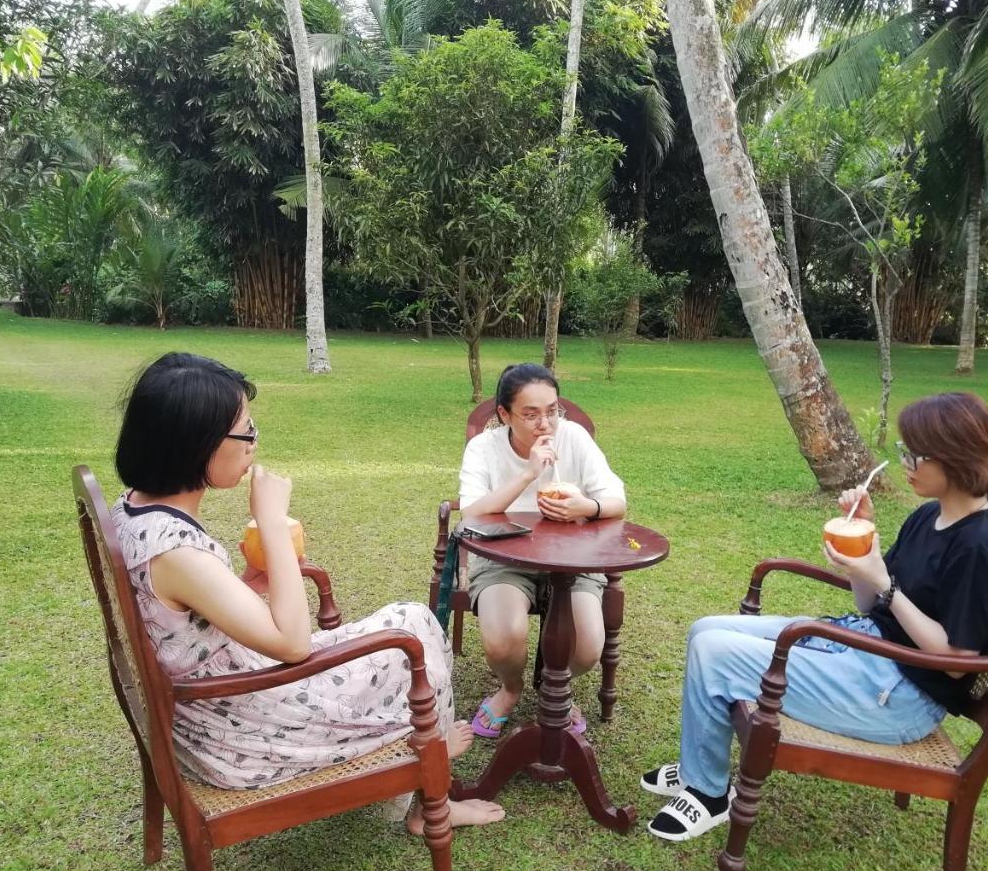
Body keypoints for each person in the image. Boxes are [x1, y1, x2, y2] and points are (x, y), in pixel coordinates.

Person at [110, 352, 503, 832]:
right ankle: (429, 777)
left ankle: (429, 750)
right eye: (246, 432)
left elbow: (186, 616)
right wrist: (273, 523)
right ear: (199, 446)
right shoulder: (174, 552)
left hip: (215, 699)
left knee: (413, 618)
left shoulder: (134, 511)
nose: (254, 443)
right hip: (239, 733)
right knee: (413, 643)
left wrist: (246, 585)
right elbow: (294, 644)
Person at [642, 392, 988, 841]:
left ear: (956, 458)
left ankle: (708, 795)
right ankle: (696, 767)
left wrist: (886, 585)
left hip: (898, 698)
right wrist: (863, 548)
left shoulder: (978, 548)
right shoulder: (927, 518)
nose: (906, 462)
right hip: (867, 649)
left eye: (915, 453)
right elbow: (868, 603)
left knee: (715, 651)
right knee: (706, 628)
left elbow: (955, 662)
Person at [458, 363, 627, 738]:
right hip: (506, 558)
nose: (545, 424)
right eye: (531, 415)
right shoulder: (483, 448)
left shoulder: (575, 438)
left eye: (552, 411)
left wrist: (588, 507)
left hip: (572, 560)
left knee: (586, 649)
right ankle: (511, 688)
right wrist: (528, 474)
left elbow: (616, 500)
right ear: (504, 414)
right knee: (502, 641)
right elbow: (471, 513)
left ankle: (554, 682)